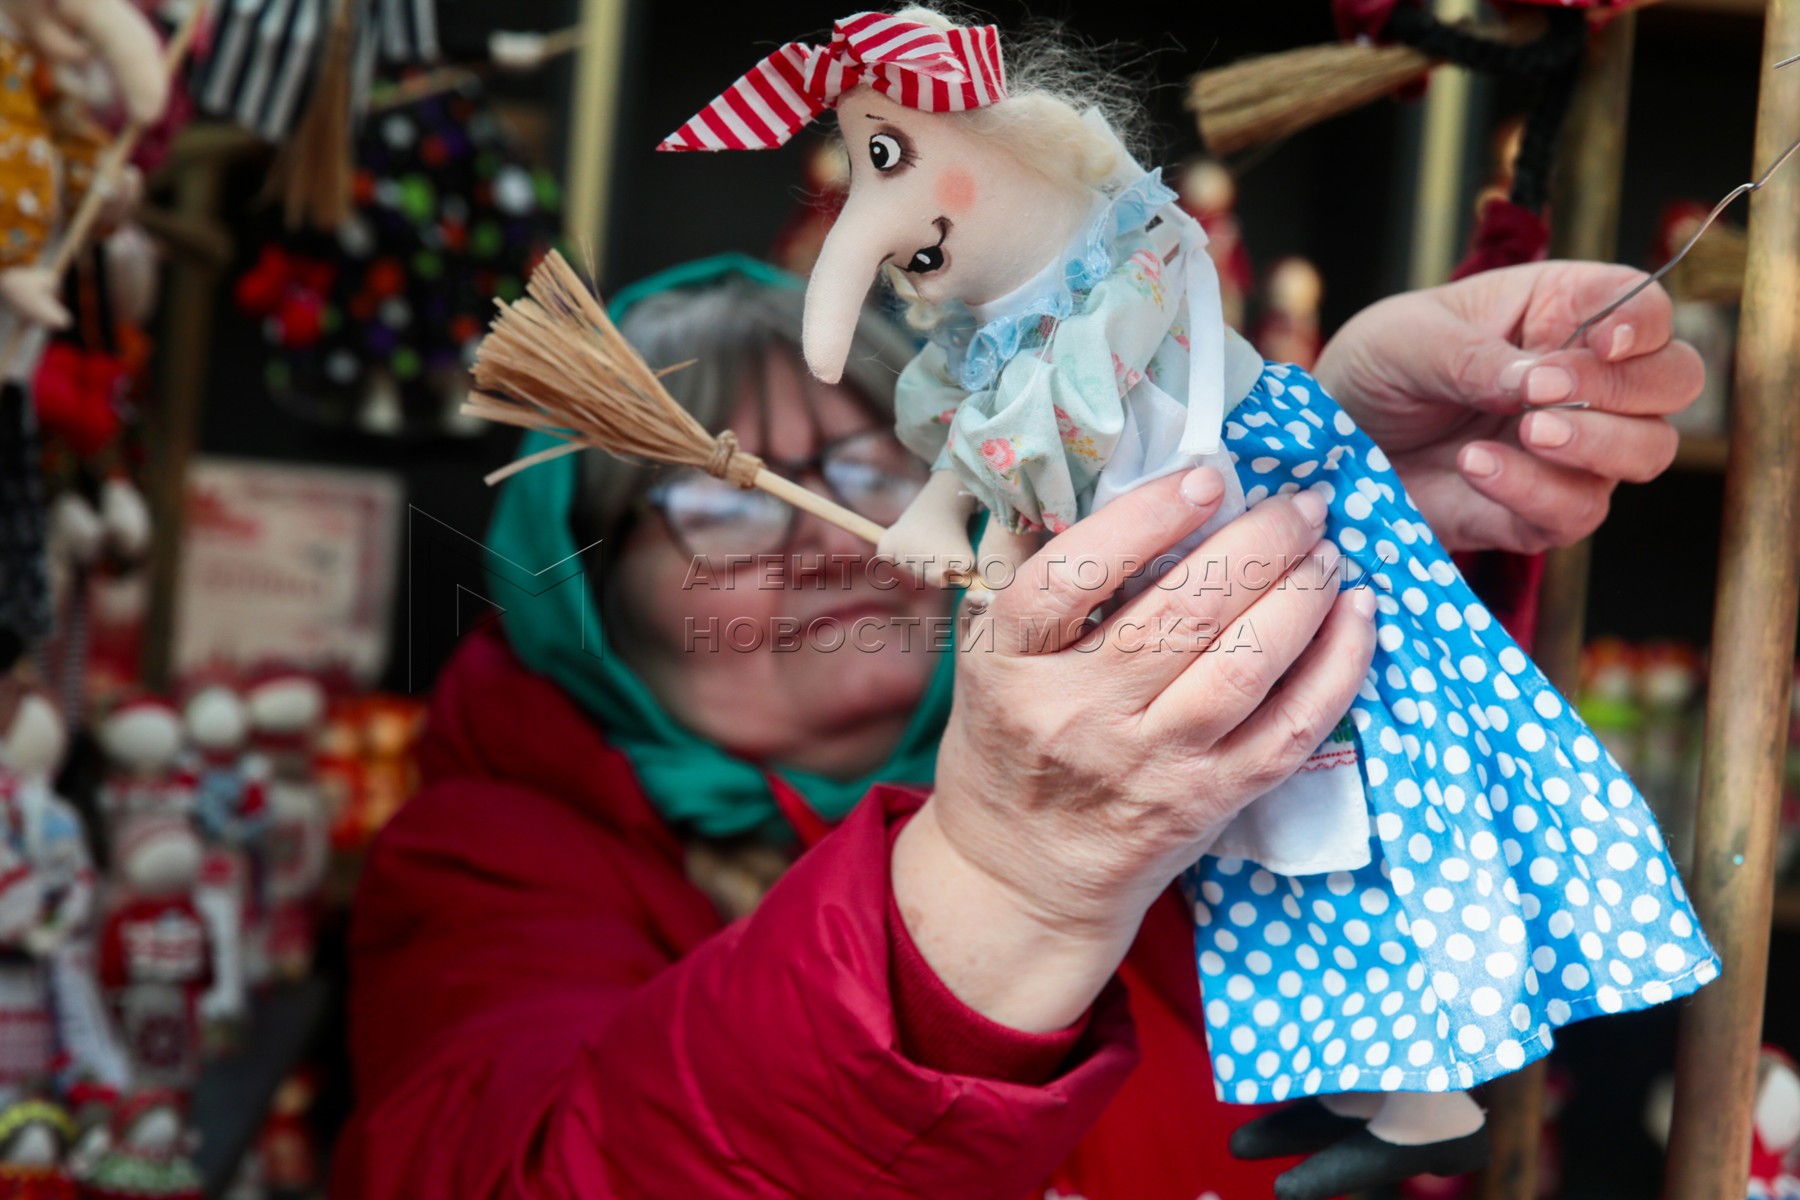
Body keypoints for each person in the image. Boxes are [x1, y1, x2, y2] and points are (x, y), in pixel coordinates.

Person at [331, 252, 1699, 1198]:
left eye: (869, 466)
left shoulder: (1151, 769)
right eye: (725, 503)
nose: (831, 541)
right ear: (586, 590)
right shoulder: (493, 859)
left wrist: (1329, 491)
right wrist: (1005, 879)